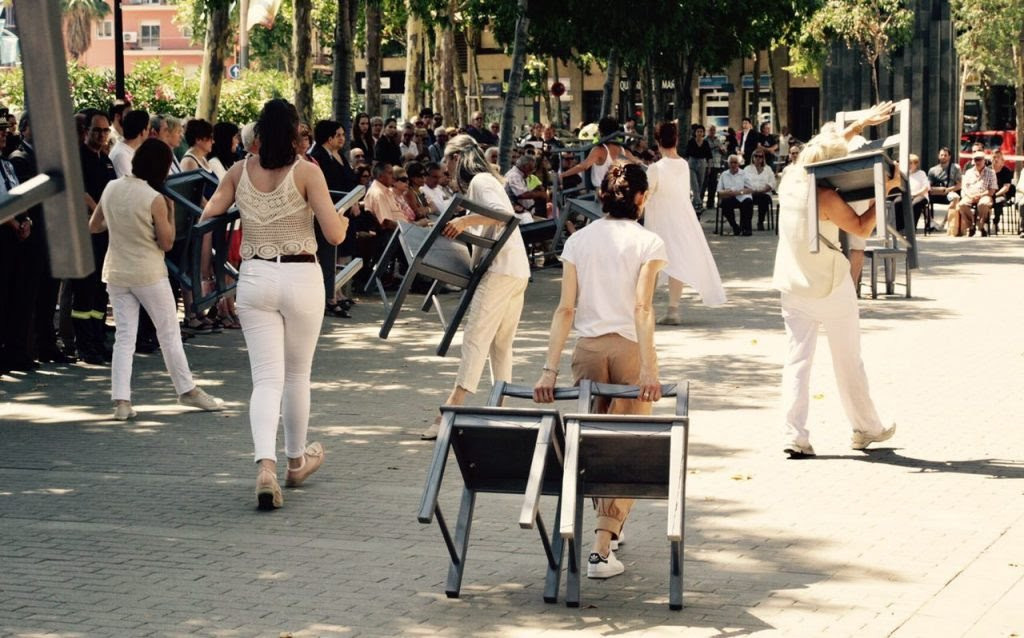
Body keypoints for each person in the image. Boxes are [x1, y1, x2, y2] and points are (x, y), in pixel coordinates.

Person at [199, 99, 349, 510]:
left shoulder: (238, 170)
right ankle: (296, 462)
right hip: (301, 276)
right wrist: (345, 220)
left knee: (266, 379)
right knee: (298, 374)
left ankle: (265, 465)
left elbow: (209, 212)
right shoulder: (307, 172)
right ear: (295, 132)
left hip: (255, 276)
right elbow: (334, 235)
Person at [533, 162, 667, 580]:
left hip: (587, 349)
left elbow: (565, 309)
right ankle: (600, 548)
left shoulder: (579, 241)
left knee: (591, 442)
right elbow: (642, 308)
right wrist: (649, 367)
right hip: (628, 347)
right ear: (641, 198)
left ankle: (609, 525)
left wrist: (548, 370)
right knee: (623, 446)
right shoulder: (649, 241)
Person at [772, 101, 899, 459]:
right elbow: (860, 227)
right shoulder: (824, 195)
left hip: (792, 282)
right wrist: (883, 189)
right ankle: (866, 428)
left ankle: (793, 434)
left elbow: (824, 146)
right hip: (828, 283)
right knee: (848, 360)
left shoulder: (791, 178)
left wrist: (860, 122)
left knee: (797, 361)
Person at [87, 139, 223, 420]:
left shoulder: (112, 187)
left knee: (124, 337)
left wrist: (119, 223)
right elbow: (167, 242)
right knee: (168, 333)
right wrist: (171, 213)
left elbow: (95, 225)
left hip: (117, 271)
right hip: (149, 272)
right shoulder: (155, 198)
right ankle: (187, 389)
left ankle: (122, 401)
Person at [419, 134, 531, 440]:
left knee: (476, 339)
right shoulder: (486, 181)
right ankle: (501, 409)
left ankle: (451, 410)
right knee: (500, 344)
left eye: (447, 161)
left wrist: (466, 223)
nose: (445, 168)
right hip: (515, 269)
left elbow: (505, 217)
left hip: (500, 270)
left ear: (457, 159)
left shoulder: (481, 181)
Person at [643, 122, 726, 325]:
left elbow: (647, 194)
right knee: (676, 261)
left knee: (651, 264)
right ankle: (673, 309)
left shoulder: (655, 168)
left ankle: (645, 307)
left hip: (660, 220)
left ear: (657, 141)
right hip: (681, 219)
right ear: (677, 139)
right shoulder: (683, 165)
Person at [560, 116, 637, 190]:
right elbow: (637, 162)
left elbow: (584, 166)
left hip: (603, 193)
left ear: (600, 131)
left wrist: (563, 175)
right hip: (618, 191)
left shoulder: (599, 150)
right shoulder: (623, 150)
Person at [956, 151, 996, 237]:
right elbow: (964, 187)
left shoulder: (991, 173)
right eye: (975, 160)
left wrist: (980, 195)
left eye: (979, 160)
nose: (977, 162)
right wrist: (970, 196)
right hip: (970, 195)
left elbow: (992, 190)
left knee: (983, 203)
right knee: (962, 204)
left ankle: (980, 226)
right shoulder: (968, 172)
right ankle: (971, 226)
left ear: (984, 160)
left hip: (985, 195)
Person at [716, 154, 754, 235]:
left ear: (738, 164)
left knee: (748, 202)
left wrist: (738, 192)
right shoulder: (724, 174)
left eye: (735, 162)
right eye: (731, 162)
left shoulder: (744, 173)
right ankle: (735, 226)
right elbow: (719, 191)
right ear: (728, 163)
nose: (733, 164)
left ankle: (746, 228)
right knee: (724, 203)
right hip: (729, 197)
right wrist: (727, 192)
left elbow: (750, 189)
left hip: (742, 196)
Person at [108, 110, 150, 178]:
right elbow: (130, 186)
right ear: (142, 132)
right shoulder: (121, 155)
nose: (149, 133)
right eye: (148, 129)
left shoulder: (130, 150)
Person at [743, 148, 776, 231]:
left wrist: (763, 190)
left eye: (760, 156)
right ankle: (748, 223)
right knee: (747, 200)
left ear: (763, 158)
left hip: (764, 193)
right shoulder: (747, 169)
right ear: (752, 157)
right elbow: (743, 182)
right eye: (756, 156)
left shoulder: (768, 169)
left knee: (764, 199)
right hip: (750, 193)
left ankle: (760, 222)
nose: (758, 158)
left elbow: (772, 183)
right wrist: (751, 190)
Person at [927, 146, 962, 225]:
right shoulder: (932, 170)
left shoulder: (955, 168)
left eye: (945, 155)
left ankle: (944, 223)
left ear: (949, 156)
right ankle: (932, 223)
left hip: (950, 192)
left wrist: (948, 190)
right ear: (938, 156)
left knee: (955, 198)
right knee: (923, 200)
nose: (943, 157)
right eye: (941, 155)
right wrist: (937, 190)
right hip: (936, 192)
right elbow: (928, 185)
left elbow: (959, 185)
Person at [684, 124, 712, 214]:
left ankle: (694, 204)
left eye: (701, 131)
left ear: (703, 133)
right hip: (692, 163)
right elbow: (687, 155)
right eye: (698, 131)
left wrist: (709, 167)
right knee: (694, 184)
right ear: (695, 133)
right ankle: (699, 204)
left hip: (702, 163)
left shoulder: (706, 143)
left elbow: (709, 156)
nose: (699, 133)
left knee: (700, 185)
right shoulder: (691, 142)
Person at [990, 149, 1015, 233]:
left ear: (1002, 161)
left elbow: (1006, 187)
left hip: (1001, 194)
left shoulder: (1006, 171)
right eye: (994, 157)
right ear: (991, 159)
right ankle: (984, 224)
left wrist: (995, 194)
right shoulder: (987, 170)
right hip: (988, 194)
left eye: (998, 157)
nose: (996, 159)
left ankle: (995, 223)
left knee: (998, 201)